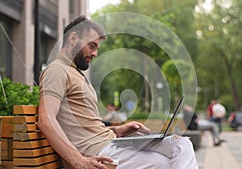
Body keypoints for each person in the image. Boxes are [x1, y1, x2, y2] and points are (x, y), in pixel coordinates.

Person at [38, 15, 198, 169]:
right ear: (73, 39)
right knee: (170, 159)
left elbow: (86, 126)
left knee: (181, 145)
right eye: (91, 46)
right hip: (99, 153)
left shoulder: (74, 72)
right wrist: (80, 162)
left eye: (97, 48)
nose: (95, 54)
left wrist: (116, 130)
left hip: (110, 144)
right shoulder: (57, 70)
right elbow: (46, 120)